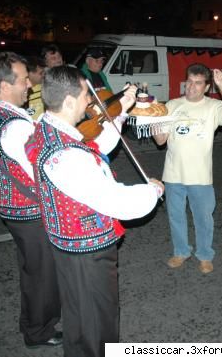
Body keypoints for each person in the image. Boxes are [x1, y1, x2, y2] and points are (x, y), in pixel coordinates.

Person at [26, 66, 164, 357]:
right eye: (86, 95)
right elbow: (113, 200)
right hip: (86, 252)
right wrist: (152, 191)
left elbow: (94, 149)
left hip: (67, 245)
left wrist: (121, 112)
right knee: (98, 322)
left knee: (79, 314)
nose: (90, 102)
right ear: (68, 102)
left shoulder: (46, 128)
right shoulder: (65, 155)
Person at [0, 52, 62, 348]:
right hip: (29, 211)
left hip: (11, 207)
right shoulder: (15, 125)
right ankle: (39, 331)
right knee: (43, 274)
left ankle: (33, 324)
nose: (30, 84)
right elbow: (45, 171)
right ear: (5, 84)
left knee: (32, 269)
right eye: (24, 79)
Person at [153, 63, 222, 274]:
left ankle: (205, 255)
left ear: (207, 87)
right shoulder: (172, 104)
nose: (191, 87)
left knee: (203, 218)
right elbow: (161, 140)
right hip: (173, 174)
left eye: (198, 83)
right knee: (176, 216)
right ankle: (181, 251)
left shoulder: (213, 106)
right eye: (189, 81)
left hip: (200, 175)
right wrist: (153, 119)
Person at [25, 56, 45, 120]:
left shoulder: (45, 88)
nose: (44, 75)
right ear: (30, 73)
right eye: (41, 73)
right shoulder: (21, 91)